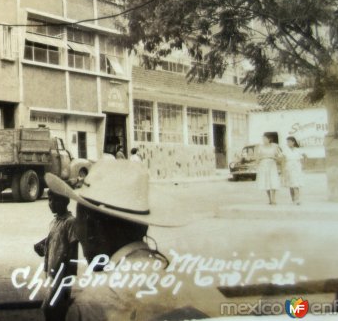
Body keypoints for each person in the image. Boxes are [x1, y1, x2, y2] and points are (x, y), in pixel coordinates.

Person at [45, 160, 225, 320]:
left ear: (92, 228)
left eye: (79, 222)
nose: (77, 230)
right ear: (143, 225)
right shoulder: (202, 288)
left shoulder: (92, 306)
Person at [34, 192, 78, 321]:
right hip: (52, 270)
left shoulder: (70, 222)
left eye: (55, 201)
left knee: (50, 308)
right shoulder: (55, 221)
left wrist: (69, 274)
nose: (51, 204)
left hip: (62, 272)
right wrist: (42, 245)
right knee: (53, 308)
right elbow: (53, 238)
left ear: (65, 202)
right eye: (49, 200)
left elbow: (73, 246)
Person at [256, 132, 282, 205]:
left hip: (272, 165)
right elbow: (257, 157)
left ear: (270, 139)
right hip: (263, 165)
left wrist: (275, 158)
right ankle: (270, 199)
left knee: (273, 181)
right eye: (263, 138)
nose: (263, 140)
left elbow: (279, 156)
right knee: (266, 181)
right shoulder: (260, 147)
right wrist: (258, 161)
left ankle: (273, 198)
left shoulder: (275, 146)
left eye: (265, 138)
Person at [282, 136, 306, 205]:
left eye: (289, 142)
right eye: (287, 142)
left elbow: (305, 156)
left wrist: (304, 165)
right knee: (291, 185)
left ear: (293, 142)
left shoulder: (298, 150)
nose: (288, 143)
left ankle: (297, 199)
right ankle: (293, 199)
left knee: (296, 184)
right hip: (288, 167)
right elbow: (283, 160)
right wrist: (283, 169)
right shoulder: (285, 150)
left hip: (297, 167)